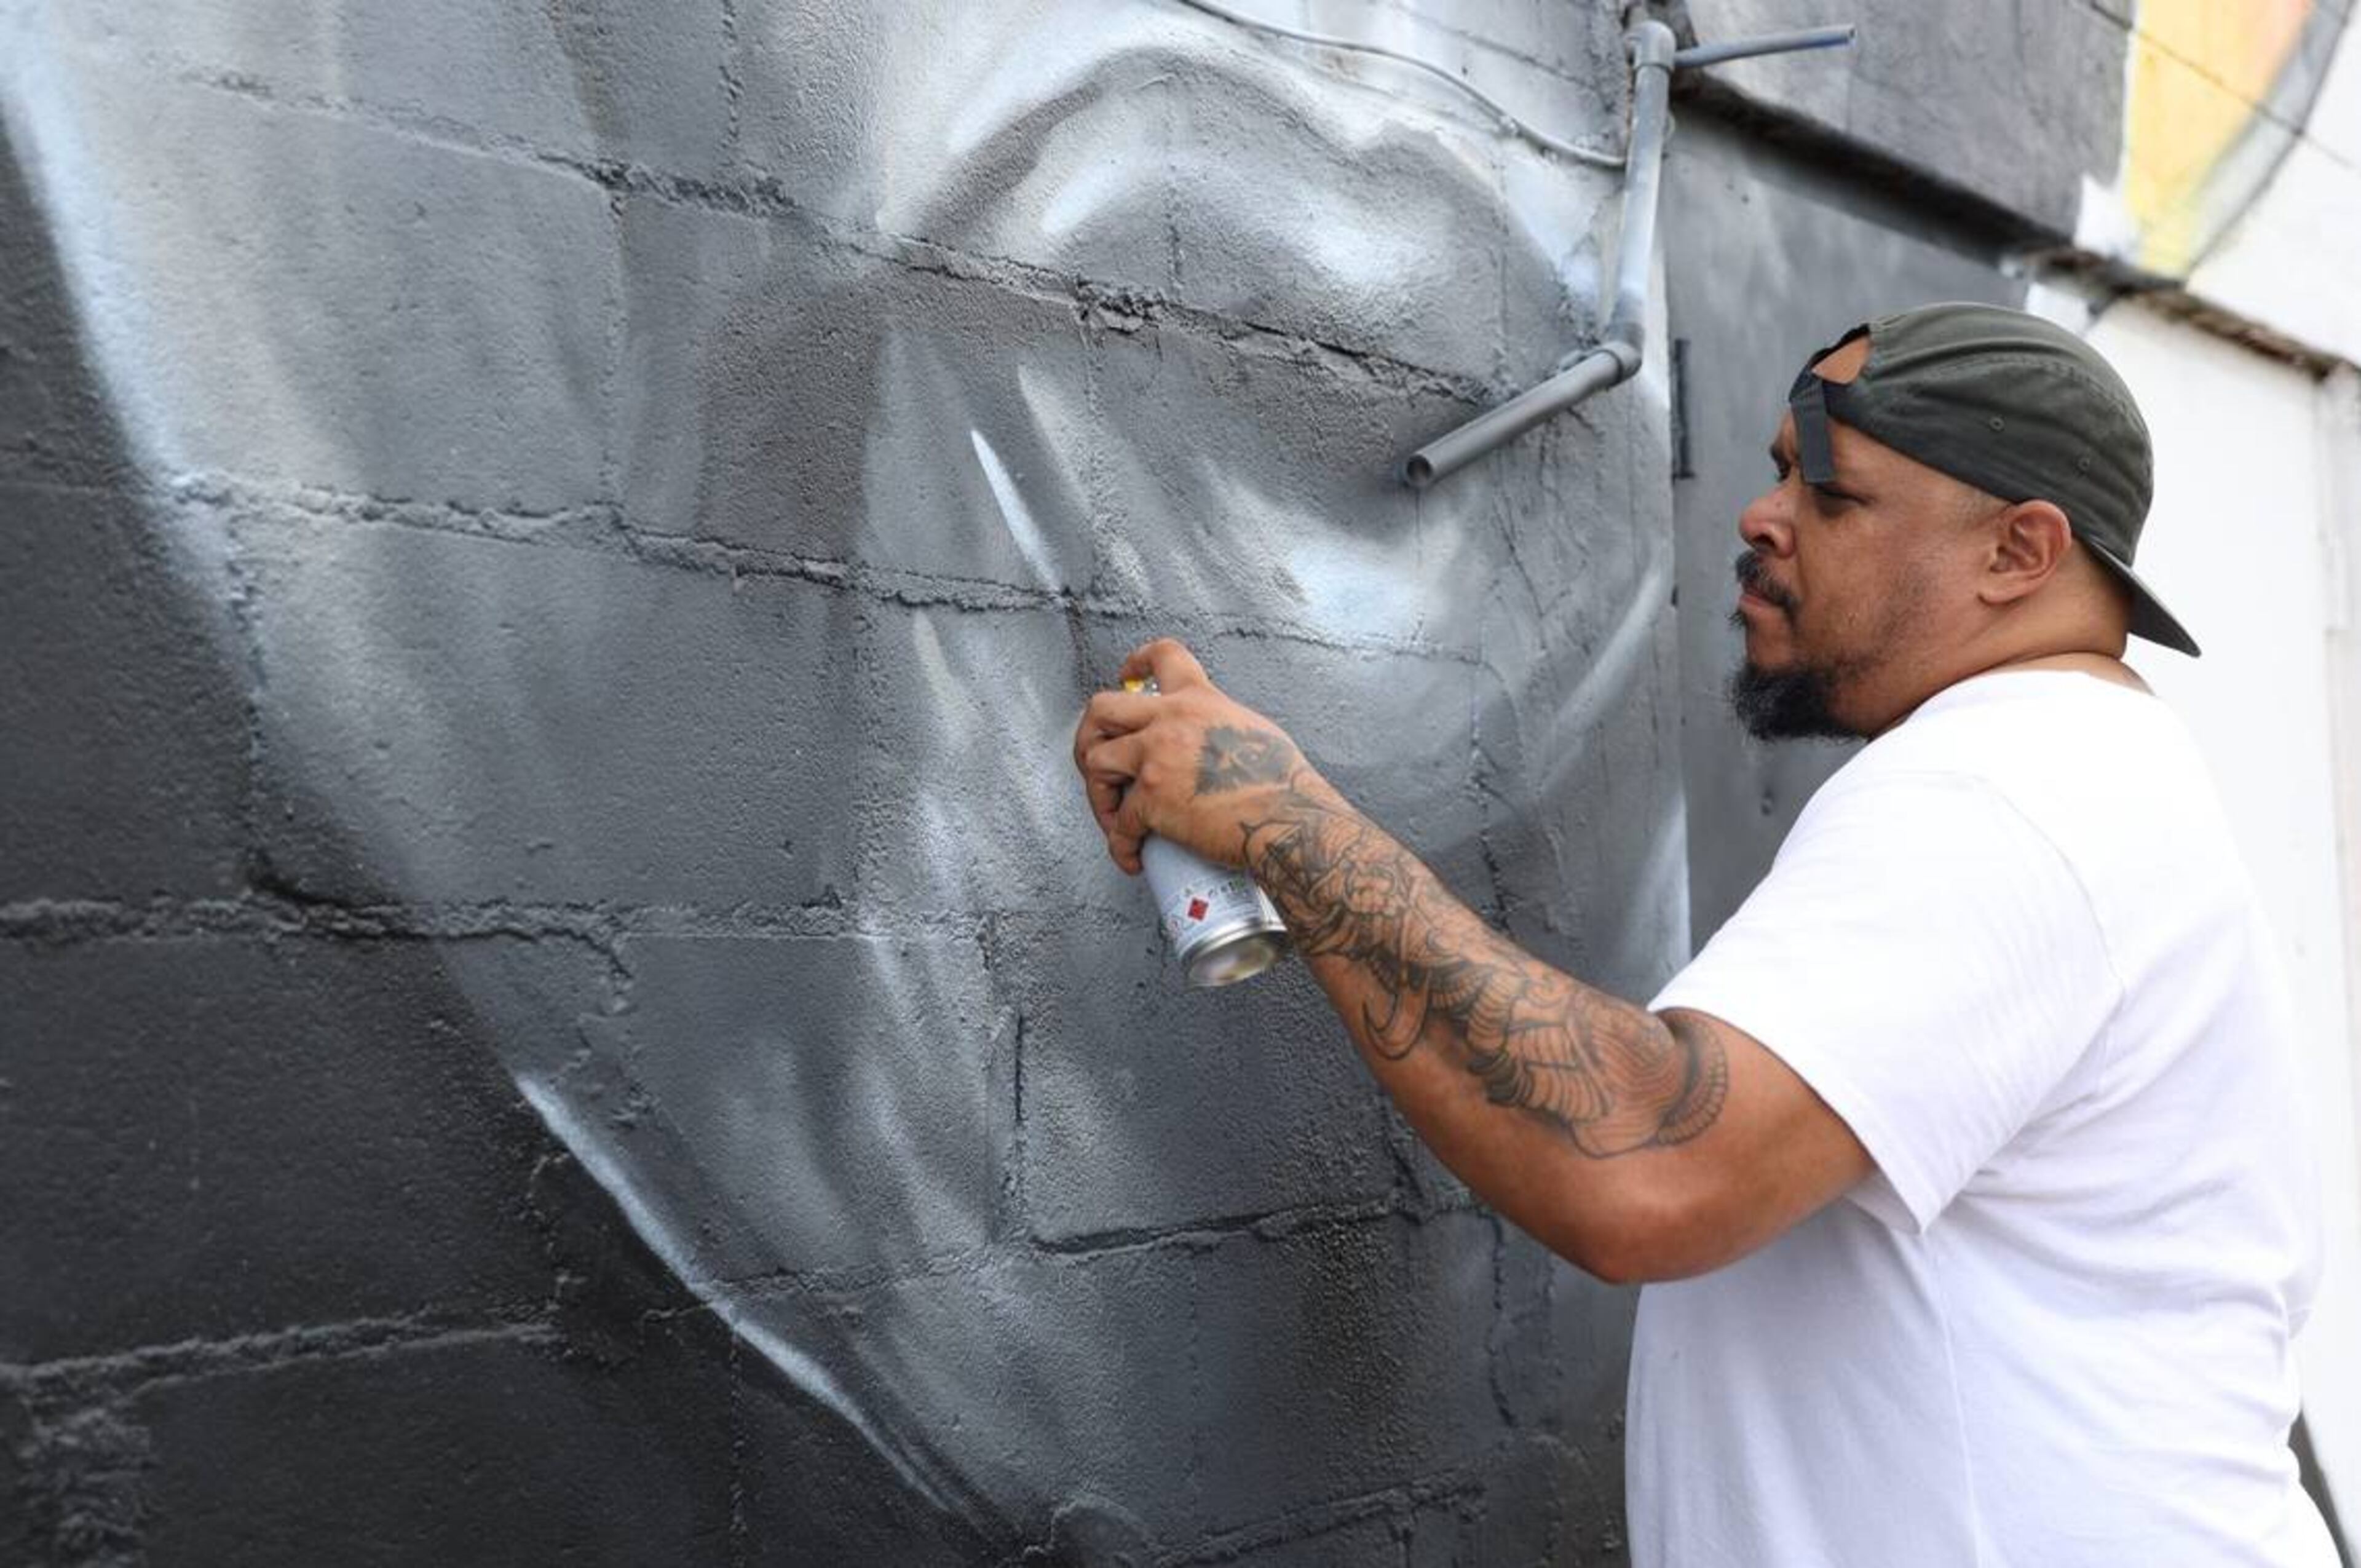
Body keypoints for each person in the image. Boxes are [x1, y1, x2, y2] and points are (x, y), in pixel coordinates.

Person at [1072, 302, 2338, 1566]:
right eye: (1781, 472)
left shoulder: (2008, 793)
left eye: (1829, 490)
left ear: (2017, 552)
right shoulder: (2100, 780)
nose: (1760, 516)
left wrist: (1288, 825)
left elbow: (1646, 1173)